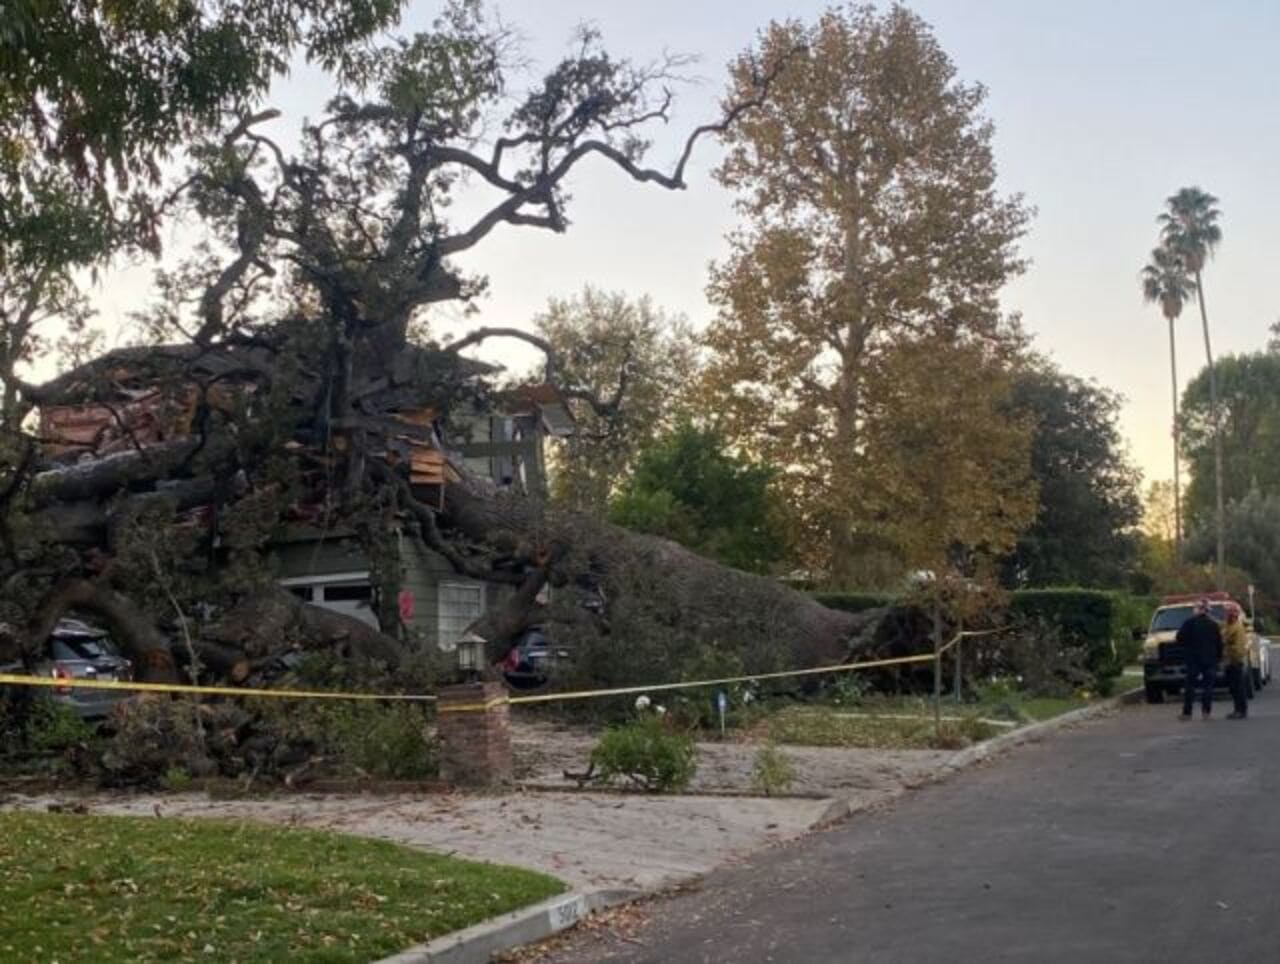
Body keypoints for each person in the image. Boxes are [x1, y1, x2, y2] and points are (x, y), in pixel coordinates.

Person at [1177, 598, 1223, 720]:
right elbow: (1219, 643)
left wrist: (1187, 647)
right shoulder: (1214, 624)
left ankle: (1187, 713)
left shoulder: (1189, 623)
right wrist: (1218, 658)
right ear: (1207, 610)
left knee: (1190, 686)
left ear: (1198, 609)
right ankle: (1206, 712)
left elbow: (1179, 639)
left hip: (1193, 660)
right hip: (1210, 660)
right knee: (1208, 687)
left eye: (1195, 608)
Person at [1221, 604, 1249, 719]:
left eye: (1229, 612)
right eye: (1227, 612)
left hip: (1235, 662)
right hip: (1229, 662)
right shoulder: (1228, 626)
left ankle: (1241, 711)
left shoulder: (1238, 627)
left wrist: (1232, 657)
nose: (1226, 614)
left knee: (1238, 688)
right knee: (1233, 688)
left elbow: (1239, 647)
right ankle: (1237, 710)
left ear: (1234, 614)